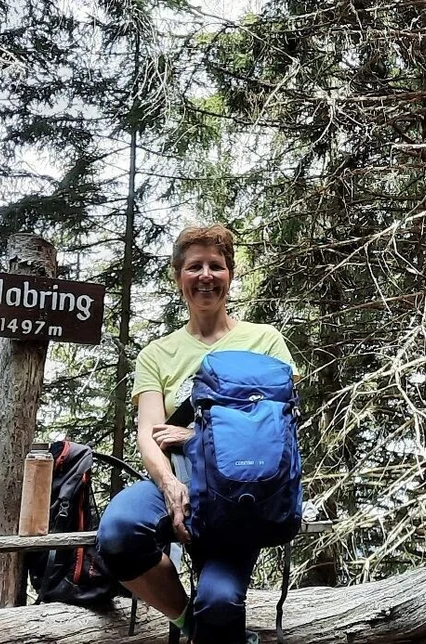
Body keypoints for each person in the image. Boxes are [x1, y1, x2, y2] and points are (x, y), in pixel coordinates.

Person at [96, 223, 296, 644]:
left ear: (230, 274)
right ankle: (191, 623)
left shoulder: (264, 341)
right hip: (180, 478)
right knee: (119, 535)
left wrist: (194, 436)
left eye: (216, 266)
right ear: (177, 276)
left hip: (241, 486)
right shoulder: (157, 353)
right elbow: (149, 435)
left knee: (221, 602)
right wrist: (169, 485)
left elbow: (276, 432)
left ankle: (210, 622)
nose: (206, 275)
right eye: (194, 266)